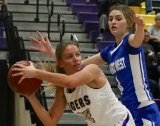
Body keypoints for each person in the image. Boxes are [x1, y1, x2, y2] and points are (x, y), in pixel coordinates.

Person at [29, 4, 160, 125]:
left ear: (129, 23)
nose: (113, 22)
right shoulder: (110, 51)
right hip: (127, 105)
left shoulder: (130, 42)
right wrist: (52, 52)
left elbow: (137, 40)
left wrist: (141, 27)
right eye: (110, 19)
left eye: (118, 19)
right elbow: (78, 65)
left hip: (143, 106)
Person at [12, 41, 135, 126]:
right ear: (60, 63)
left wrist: (36, 73)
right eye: (70, 56)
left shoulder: (92, 70)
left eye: (78, 54)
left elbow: (70, 82)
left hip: (119, 122)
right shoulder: (62, 88)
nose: (76, 58)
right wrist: (30, 96)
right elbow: (50, 122)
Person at [143, 30, 160, 99]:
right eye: (145, 36)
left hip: (152, 70)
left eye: (148, 36)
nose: (146, 37)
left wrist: (154, 58)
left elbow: (154, 60)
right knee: (154, 84)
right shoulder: (137, 46)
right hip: (144, 71)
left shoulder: (150, 46)